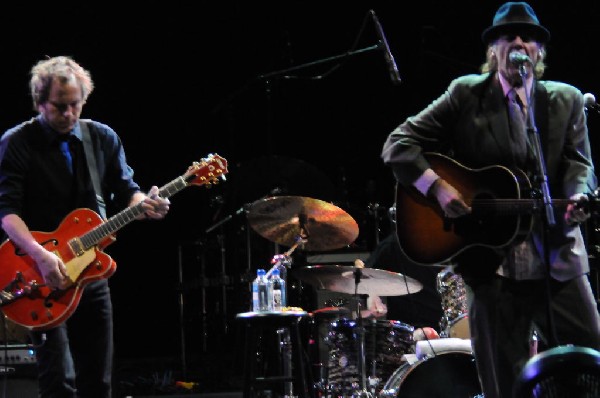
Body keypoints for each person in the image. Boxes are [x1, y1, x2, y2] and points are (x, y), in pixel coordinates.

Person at [381, 2, 600, 397]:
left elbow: (579, 162)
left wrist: (576, 197)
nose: (519, 42)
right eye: (508, 35)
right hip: (491, 268)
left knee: (590, 363)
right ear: (493, 49)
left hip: (557, 258)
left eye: (528, 36)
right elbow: (399, 144)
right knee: (502, 382)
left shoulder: (565, 100)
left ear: (540, 51)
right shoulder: (467, 94)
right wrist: (439, 188)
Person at [0, 55, 170, 397]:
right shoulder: (17, 142)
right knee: (58, 379)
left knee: (99, 380)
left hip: (91, 273)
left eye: (75, 105)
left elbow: (128, 191)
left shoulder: (101, 137)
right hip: (41, 272)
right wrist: (41, 256)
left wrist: (145, 204)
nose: (68, 114)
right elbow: (7, 213)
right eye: (59, 106)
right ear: (39, 102)